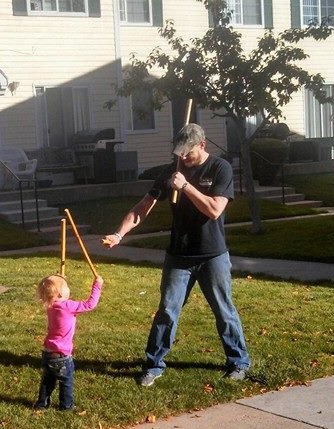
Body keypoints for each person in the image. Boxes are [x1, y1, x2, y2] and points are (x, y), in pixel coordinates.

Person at [102, 123, 249, 386]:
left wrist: (187, 188)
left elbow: (215, 210)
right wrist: (119, 234)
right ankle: (154, 364)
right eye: (178, 152)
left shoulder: (220, 168)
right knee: (167, 310)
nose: (182, 158)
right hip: (179, 255)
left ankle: (238, 362)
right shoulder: (173, 170)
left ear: (202, 145)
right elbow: (142, 207)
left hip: (212, 254)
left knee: (223, 310)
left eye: (187, 152)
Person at [33, 274, 103, 409]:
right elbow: (90, 304)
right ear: (59, 293)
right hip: (62, 355)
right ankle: (66, 405)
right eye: (66, 286)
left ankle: (41, 404)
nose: (68, 287)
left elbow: (54, 292)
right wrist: (97, 285)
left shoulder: (50, 305)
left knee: (48, 380)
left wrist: (60, 280)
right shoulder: (68, 306)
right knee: (66, 381)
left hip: (48, 353)